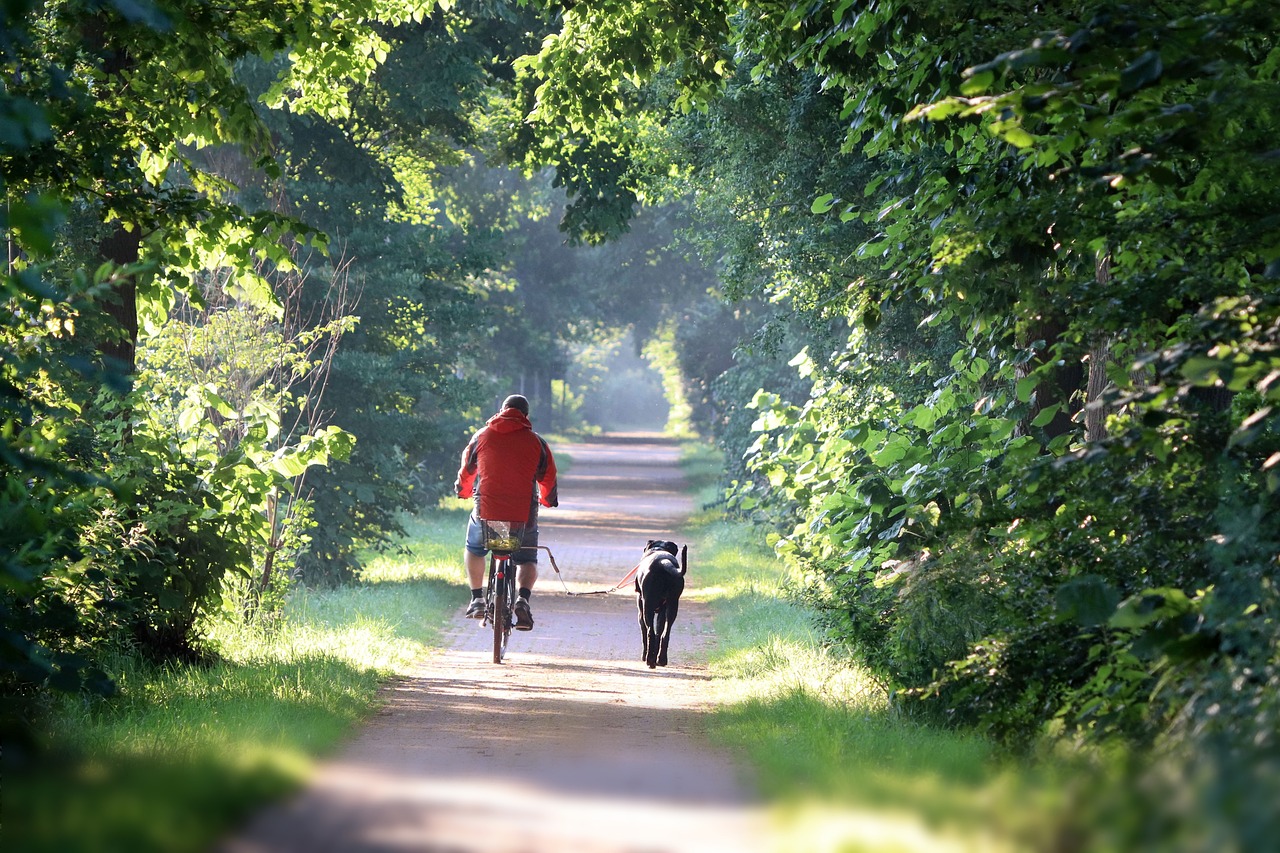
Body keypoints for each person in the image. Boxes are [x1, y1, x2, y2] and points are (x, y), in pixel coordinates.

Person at [454, 394, 558, 630]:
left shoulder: (482, 436)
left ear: (501, 411)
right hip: (523, 516)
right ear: (526, 416)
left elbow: (467, 469)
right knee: (527, 559)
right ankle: (522, 599)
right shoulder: (536, 442)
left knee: (474, 548)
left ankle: (477, 599)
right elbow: (548, 477)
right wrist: (547, 499)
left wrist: (463, 491)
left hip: (487, 513)